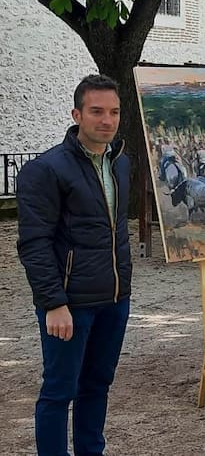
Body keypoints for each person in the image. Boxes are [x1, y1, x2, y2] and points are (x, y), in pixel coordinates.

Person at [17, 74, 133, 455]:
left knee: (97, 386)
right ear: (77, 115)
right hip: (69, 304)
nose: (107, 120)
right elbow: (34, 243)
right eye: (97, 111)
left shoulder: (120, 164)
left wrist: (122, 290)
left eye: (114, 112)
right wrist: (53, 303)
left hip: (114, 300)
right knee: (58, 391)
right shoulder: (46, 170)